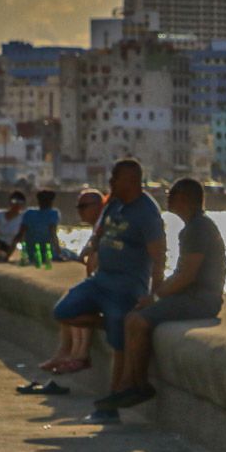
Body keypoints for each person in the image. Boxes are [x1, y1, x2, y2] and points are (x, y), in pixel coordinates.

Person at [97, 177, 226, 411]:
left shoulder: (198, 229)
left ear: (184, 198)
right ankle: (127, 384)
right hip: (193, 296)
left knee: (137, 319)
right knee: (132, 318)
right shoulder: (194, 227)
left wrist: (156, 297)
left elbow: (186, 275)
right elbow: (181, 275)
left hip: (202, 300)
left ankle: (137, 385)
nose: (167, 198)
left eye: (171, 194)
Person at [50, 161, 165, 418]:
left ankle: (111, 405)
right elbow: (99, 233)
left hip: (126, 286)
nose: (110, 182)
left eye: (115, 178)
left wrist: (154, 295)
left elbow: (158, 255)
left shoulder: (146, 212)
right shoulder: (114, 204)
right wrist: (93, 249)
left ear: (132, 180)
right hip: (101, 280)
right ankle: (112, 324)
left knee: (119, 346)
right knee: (63, 311)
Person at [38, 189, 106, 375]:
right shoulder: (99, 226)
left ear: (99, 206)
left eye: (83, 207)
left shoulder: (105, 224)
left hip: (108, 285)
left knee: (78, 306)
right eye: (78, 207)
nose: (79, 211)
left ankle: (79, 354)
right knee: (72, 302)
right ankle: (68, 352)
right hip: (99, 281)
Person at [16, 188, 61, 267]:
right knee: (71, 254)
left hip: (31, 253)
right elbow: (53, 234)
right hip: (46, 254)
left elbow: (20, 234)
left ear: (38, 201)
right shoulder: (53, 213)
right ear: (51, 202)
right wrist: (59, 252)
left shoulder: (29, 213)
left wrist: (8, 256)